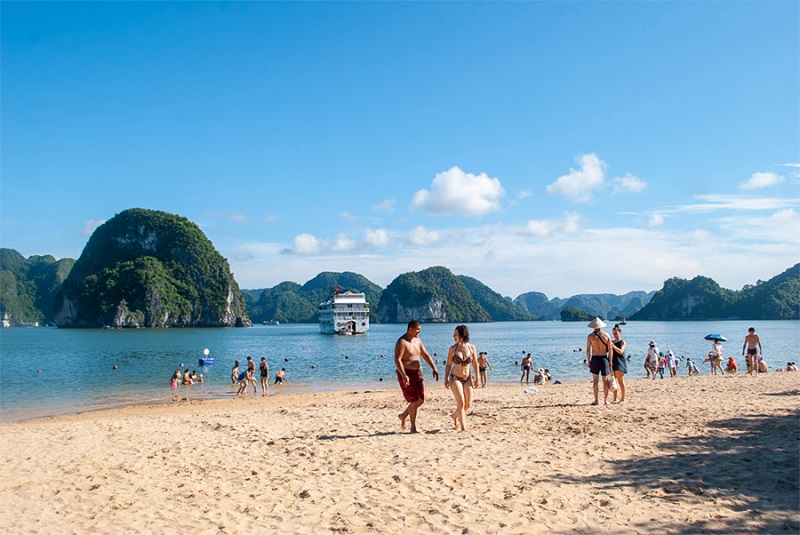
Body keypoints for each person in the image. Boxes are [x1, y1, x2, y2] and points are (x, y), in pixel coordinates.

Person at [394, 320, 439, 433]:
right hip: (407, 374)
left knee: (420, 400)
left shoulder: (418, 341)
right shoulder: (402, 342)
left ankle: (403, 415)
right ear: (411, 329)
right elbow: (397, 359)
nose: (419, 331)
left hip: (417, 374)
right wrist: (404, 375)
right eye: (418, 329)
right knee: (414, 401)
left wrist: (434, 368)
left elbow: (425, 354)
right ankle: (413, 427)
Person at [444, 325, 479, 432]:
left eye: (455, 334)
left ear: (462, 335)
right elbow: (449, 365)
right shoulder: (452, 349)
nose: (453, 336)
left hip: (468, 378)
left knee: (468, 404)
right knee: (461, 403)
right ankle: (463, 428)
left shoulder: (472, 348)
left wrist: (477, 378)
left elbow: (475, 364)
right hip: (455, 378)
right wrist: (445, 378)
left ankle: (455, 415)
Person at [586, 317, 612, 406]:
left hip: (595, 358)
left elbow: (588, 350)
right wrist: (610, 360)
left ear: (593, 327)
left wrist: (588, 361)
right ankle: (605, 400)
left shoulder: (590, 336)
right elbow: (610, 349)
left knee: (595, 381)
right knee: (605, 381)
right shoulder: (607, 335)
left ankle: (596, 400)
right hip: (604, 358)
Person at [610, 324, 627, 403]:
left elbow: (621, 351)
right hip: (613, 362)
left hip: (620, 362)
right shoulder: (612, 342)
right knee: (614, 381)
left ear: (620, 332)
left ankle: (623, 399)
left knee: (621, 381)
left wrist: (613, 346)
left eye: (616, 333)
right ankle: (615, 398)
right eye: (613, 334)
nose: (615, 335)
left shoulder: (622, 342)